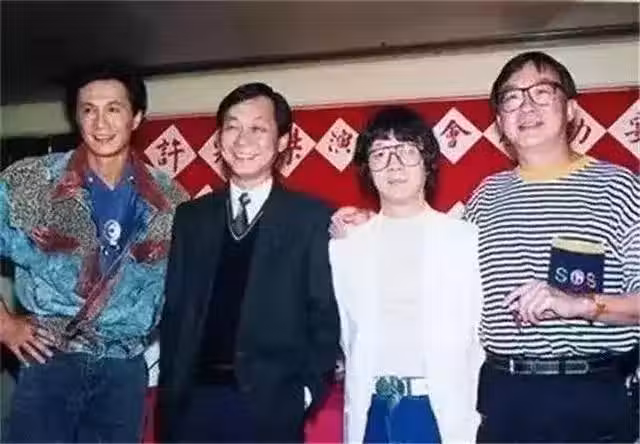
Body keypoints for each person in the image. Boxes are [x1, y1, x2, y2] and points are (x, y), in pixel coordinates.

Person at [332, 51, 639, 443]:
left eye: (541, 92)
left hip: (587, 393)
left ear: (572, 110)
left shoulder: (619, 187)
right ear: (499, 122)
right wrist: (366, 226)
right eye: (511, 98)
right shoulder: (487, 197)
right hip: (500, 396)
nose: (526, 106)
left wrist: (581, 304)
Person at [0, 62, 187, 442]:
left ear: (137, 117)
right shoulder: (33, 181)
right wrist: (5, 324)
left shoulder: (170, 198)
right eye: (89, 110)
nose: (100, 123)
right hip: (51, 360)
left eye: (114, 109)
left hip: (124, 369)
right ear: (76, 117)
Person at [157, 82, 340, 443]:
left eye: (258, 128)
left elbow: (324, 317)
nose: (243, 140)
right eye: (233, 127)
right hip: (192, 405)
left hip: (271, 407)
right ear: (219, 138)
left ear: (283, 141)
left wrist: (304, 395)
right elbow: (175, 311)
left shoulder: (311, 218)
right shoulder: (192, 217)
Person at [330, 106, 483, 443]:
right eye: (380, 153)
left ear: (428, 162)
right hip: (372, 408)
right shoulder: (347, 246)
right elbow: (345, 335)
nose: (394, 164)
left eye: (407, 150)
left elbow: (481, 333)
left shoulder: (465, 240)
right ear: (367, 169)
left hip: (440, 410)